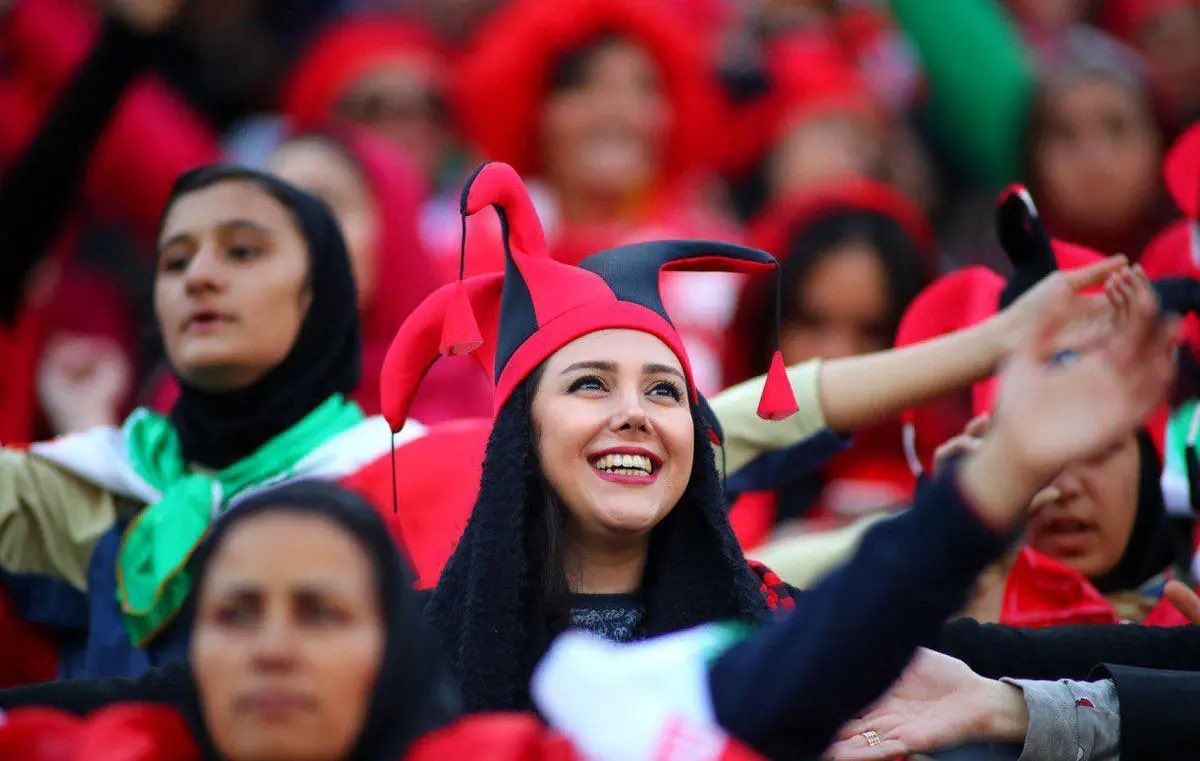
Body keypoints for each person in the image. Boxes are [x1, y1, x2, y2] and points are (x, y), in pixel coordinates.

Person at [377, 161, 1172, 718]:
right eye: (590, 383)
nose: (635, 412)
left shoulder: (771, 627)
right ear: (522, 435)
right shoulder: (401, 647)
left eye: (664, 390)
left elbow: (995, 652)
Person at [0, 166, 425, 682]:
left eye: (242, 252)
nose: (198, 277)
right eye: (174, 262)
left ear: (318, 292)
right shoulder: (78, 484)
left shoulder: (406, 476)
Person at [724, 179, 933, 537]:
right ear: (759, 326)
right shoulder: (693, 478)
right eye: (811, 322)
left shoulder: (955, 492)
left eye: (872, 332)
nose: (839, 357)